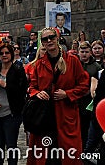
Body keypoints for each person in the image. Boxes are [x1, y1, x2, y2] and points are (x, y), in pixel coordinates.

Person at [27, 27, 90, 165]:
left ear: (57, 38)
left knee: (67, 155)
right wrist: (37, 93)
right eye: (45, 39)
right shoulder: (39, 64)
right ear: (42, 43)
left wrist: (67, 94)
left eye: (51, 37)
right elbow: (32, 87)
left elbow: (84, 85)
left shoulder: (72, 61)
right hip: (45, 118)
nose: (49, 41)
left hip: (66, 116)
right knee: (46, 156)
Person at [0, 43, 27, 165]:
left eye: (7, 53)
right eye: (2, 53)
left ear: (12, 54)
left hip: (11, 114)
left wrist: (6, 85)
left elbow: (22, 91)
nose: (4, 55)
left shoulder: (18, 70)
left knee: (11, 146)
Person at [77, 42, 101, 149]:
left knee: (87, 129)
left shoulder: (96, 67)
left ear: (90, 52)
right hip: (76, 100)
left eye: (86, 52)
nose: (84, 54)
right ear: (78, 52)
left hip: (88, 102)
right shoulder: (75, 64)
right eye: (82, 52)